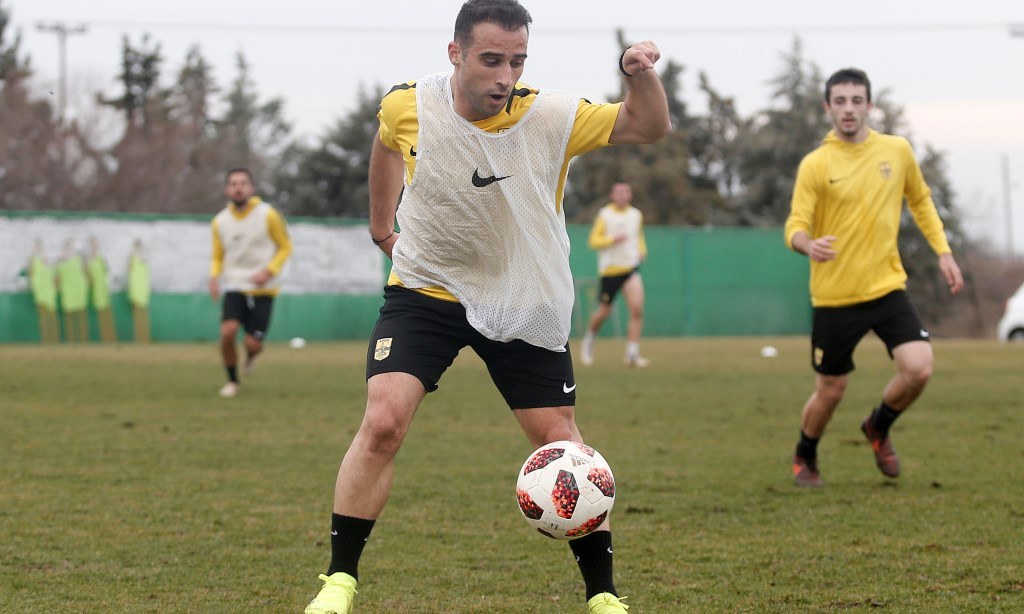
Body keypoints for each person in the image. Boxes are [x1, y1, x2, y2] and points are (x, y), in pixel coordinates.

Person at [303, 1, 670, 612]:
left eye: (517, 61)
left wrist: (638, 73)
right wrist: (380, 227)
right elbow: (386, 145)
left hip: (522, 297)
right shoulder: (408, 105)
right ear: (456, 54)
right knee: (384, 422)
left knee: (561, 443)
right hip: (427, 288)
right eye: (491, 60)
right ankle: (339, 582)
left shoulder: (551, 115)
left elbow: (648, 126)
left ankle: (603, 595)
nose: (505, 76)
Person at [784, 68, 964, 488]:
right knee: (831, 390)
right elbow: (795, 224)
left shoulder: (896, 151)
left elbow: (921, 201)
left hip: (886, 288)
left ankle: (878, 426)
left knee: (919, 368)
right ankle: (805, 454)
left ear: (869, 105)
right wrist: (808, 244)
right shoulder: (816, 164)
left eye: (856, 100)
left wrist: (944, 252)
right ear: (828, 108)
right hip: (834, 296)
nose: (848, 109)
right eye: (840, 101)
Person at [208, 168, 293, 398]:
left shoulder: (268, 215)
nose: (239, 187)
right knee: (227, 332)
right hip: (234, 285)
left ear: (251, 188)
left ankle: (252, 354)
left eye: (243, 183)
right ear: (227, 190)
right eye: (233, 183)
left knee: (252, 344)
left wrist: (269, 271)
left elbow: (285, 245)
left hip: (263, 288)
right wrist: (214, 277)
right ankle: (232, 381)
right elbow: (217, 255)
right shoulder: (220, 222)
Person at [579, 182, 650, 368]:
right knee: (604, 311)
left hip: (630, 269)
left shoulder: (636, 215)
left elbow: (638, 237)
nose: (622, 195)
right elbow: (593, 241)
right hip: (610, 271)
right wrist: (612, 240)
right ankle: (589, 341)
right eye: (618, 192)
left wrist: (642, 251)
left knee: (637, 309)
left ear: (630, 195)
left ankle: (632, 354)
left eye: (625, 192)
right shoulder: (605, 214)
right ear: (612, 195)